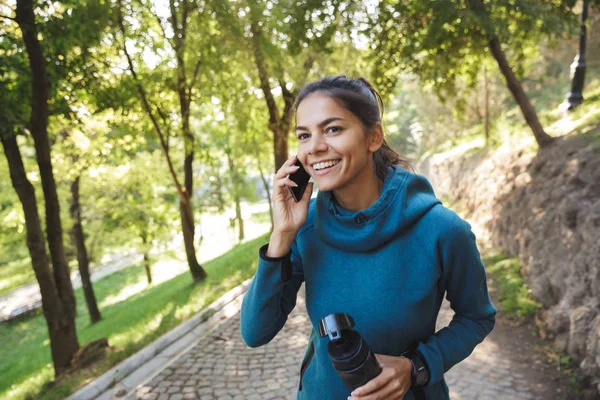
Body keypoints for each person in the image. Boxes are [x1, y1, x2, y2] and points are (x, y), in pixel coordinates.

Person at [240, 75, 497, 400]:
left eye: (332, 129)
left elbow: (477, 317)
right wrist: (282, 234)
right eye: (304, 135)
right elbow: (255, 332)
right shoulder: (305, 228)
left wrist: (415, 366)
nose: (315, 146)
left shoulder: (443, 230)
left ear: (373, 137)